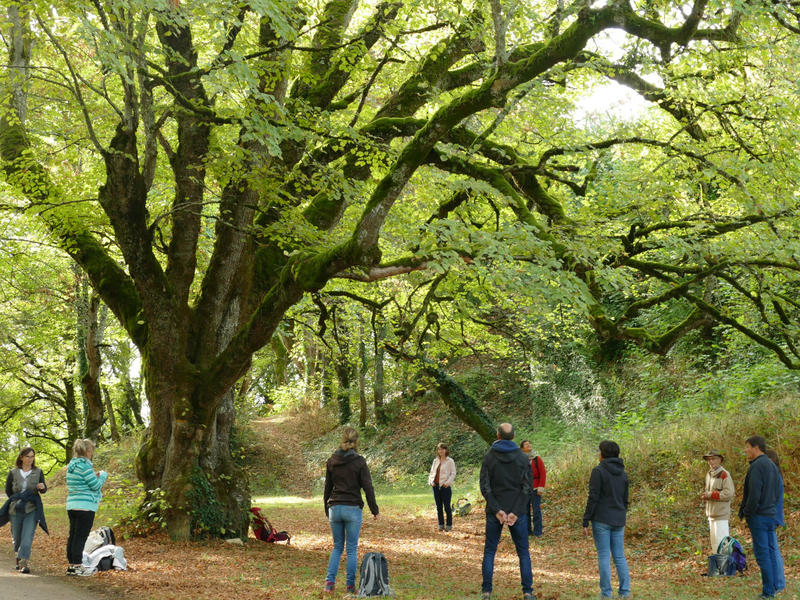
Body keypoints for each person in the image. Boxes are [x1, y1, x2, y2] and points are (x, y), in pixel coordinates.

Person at [479, 423, 535, 600]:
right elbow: (528, 487)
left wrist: (496, 510)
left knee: (490, 551)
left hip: (496, 510)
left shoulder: (489, 457)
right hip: (515, 511)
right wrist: (516, 512)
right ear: (513, 436)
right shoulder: (521, 457)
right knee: (523, 552)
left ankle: (486, 591)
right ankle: (527, 592)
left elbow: (485, 486)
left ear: (498, 435)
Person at [323, 427, 379, 594]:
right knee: (352, 548)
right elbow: (368, 487)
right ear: (356, 442)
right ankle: (349, 586)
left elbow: (327, 487)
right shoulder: (359, 462)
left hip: (335, 507)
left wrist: (327, 507)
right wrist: (374, 509)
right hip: (352, 508)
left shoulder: (332, 460)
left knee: (337, 547)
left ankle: (329, 583)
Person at [582, 440, 630, 599]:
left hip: (601, 518)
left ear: (603, 454)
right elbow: (625, 499)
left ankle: (606, 594)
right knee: (619, 556)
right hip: (618, 518)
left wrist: (586, 519)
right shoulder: (623, 473)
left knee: (603, 556)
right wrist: (621, 512)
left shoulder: (598, 471)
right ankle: (624, 592)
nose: (598, 454)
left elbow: (593, 497)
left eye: (599, 451)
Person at [738, 435, 783, 599]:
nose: (746, 451)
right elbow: (777, 493)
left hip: (759, 517)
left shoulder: (757, 466)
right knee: (770, 553)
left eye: (747, 447)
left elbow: (754, 493)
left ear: (756, 447)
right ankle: (774, 587)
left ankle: (768, 592)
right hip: (770, 515)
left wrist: (748, 513)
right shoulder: (772, 465)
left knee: (763, 554)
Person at [66, 438, 108, 576]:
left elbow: (82, 481)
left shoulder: (72, 466)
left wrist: (93, 476)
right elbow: (95, 485)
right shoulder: (85, 466)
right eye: (92, 450)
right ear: (88, 451)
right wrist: (102, 476)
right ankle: (78, 566)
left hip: (72, 505)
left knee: (73, 536)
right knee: (80, 537)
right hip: (85, 506)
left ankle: (72, 566)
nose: (92, 453)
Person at [3, 447, 47, 573]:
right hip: (16, 508)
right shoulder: (13, 472)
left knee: (27, 536)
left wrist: (42, 487)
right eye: (27, 456)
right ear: (21, 457)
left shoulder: (38, 472)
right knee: (17, 537)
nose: (30, 459)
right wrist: (17, 500)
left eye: (32, 456)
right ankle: (18, 555)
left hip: (32, 508)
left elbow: (43, 489)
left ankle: (24, 562)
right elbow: (8, 490)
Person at [700, 450, 734, 553]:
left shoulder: (724, 474)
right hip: (711, 514)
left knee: (723, 545)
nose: (710, 461)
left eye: (713, 459)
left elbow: (729, 494)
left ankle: (726, 568)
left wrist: (710, 494)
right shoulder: (709, 474)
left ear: (720, 460)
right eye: (709, 459)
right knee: (715, 546)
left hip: (721, 514)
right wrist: (706, 495)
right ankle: (718, 568)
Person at [764, 448, 786, 595]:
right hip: (770, 517)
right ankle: (775, 583)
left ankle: (779, 584)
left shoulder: (774, 476)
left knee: (773, 551)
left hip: (771, 517)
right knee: (771, 550)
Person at [428, 442, 456, 531]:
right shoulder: (435, 460)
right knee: (438, 506)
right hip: (435, 486)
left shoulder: (450, 461)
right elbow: (431, 472)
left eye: (443, 449)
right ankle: (440, 524)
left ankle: (449, 525)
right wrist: (430, 482)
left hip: (445, 486)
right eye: (439, 449)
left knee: (447, 506)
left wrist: (447, 483)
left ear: (446, 450)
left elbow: (453, 473)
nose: (441, 451)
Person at [520, 440, 546, 537]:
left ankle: (538, 531)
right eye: (526, 445)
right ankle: (527, 532)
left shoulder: (536, 459)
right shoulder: (520, 460)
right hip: (524, 489)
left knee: (536, 511)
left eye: (529, 444)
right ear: (522, 448)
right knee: (525, 511)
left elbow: (543, 473)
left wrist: (541, 487)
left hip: (535, 488)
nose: (529, 445)